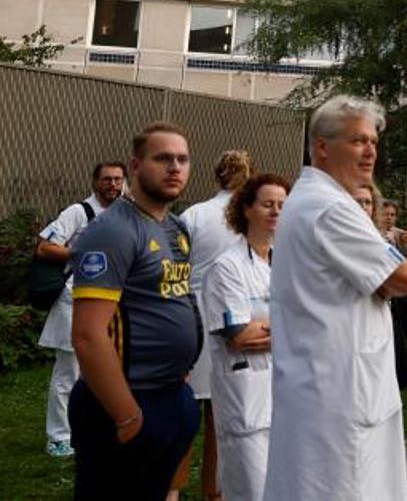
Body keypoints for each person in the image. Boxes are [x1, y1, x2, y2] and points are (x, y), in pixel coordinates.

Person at [264, 95, 407, 501]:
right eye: (357, 141)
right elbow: (404, 279)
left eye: (373, 142)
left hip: (327, 385)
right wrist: (389, 264)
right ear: (321, 146)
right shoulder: (332, 208)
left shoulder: (314, 199)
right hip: (339, 395)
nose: (370, 152)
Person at [69, 123, 200, 501]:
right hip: (125, 403)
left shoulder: (175, 227)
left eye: (182, 159)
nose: (175, 167)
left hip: (171, 393)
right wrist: (127, 416)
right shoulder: (112, 231)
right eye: (163, 158)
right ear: (136, 166)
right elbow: (88, 335)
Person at [203, 173, 290, 501]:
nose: (276, 211)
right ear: (246, 209)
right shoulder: (227, 268)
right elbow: (240, 336)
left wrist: (272, 328)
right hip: (246, 402)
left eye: (283, 205)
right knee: (251, 492)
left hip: (286, 399)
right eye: (268, 204)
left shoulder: (287, 264)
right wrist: (296, 331)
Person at [35, 161, 125, 458]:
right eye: (107, 180)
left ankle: (95, 429)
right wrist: (82, 253)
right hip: (75, 300)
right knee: (68, 372)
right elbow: (44, 247)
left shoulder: (126, 212)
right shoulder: (79, 212)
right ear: (95, 182)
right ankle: (59, 436)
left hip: (114, 301)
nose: (113, 185)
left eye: (118, 180)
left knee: (108, 369)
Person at [180, 149, 253, 500]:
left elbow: (176, 267)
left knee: (182, 417)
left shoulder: (193, 214)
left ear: (215, 176)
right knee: (219, 419)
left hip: (191, 317)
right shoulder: (247, 218)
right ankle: (214, 493)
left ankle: (172, 490)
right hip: (233, 319)